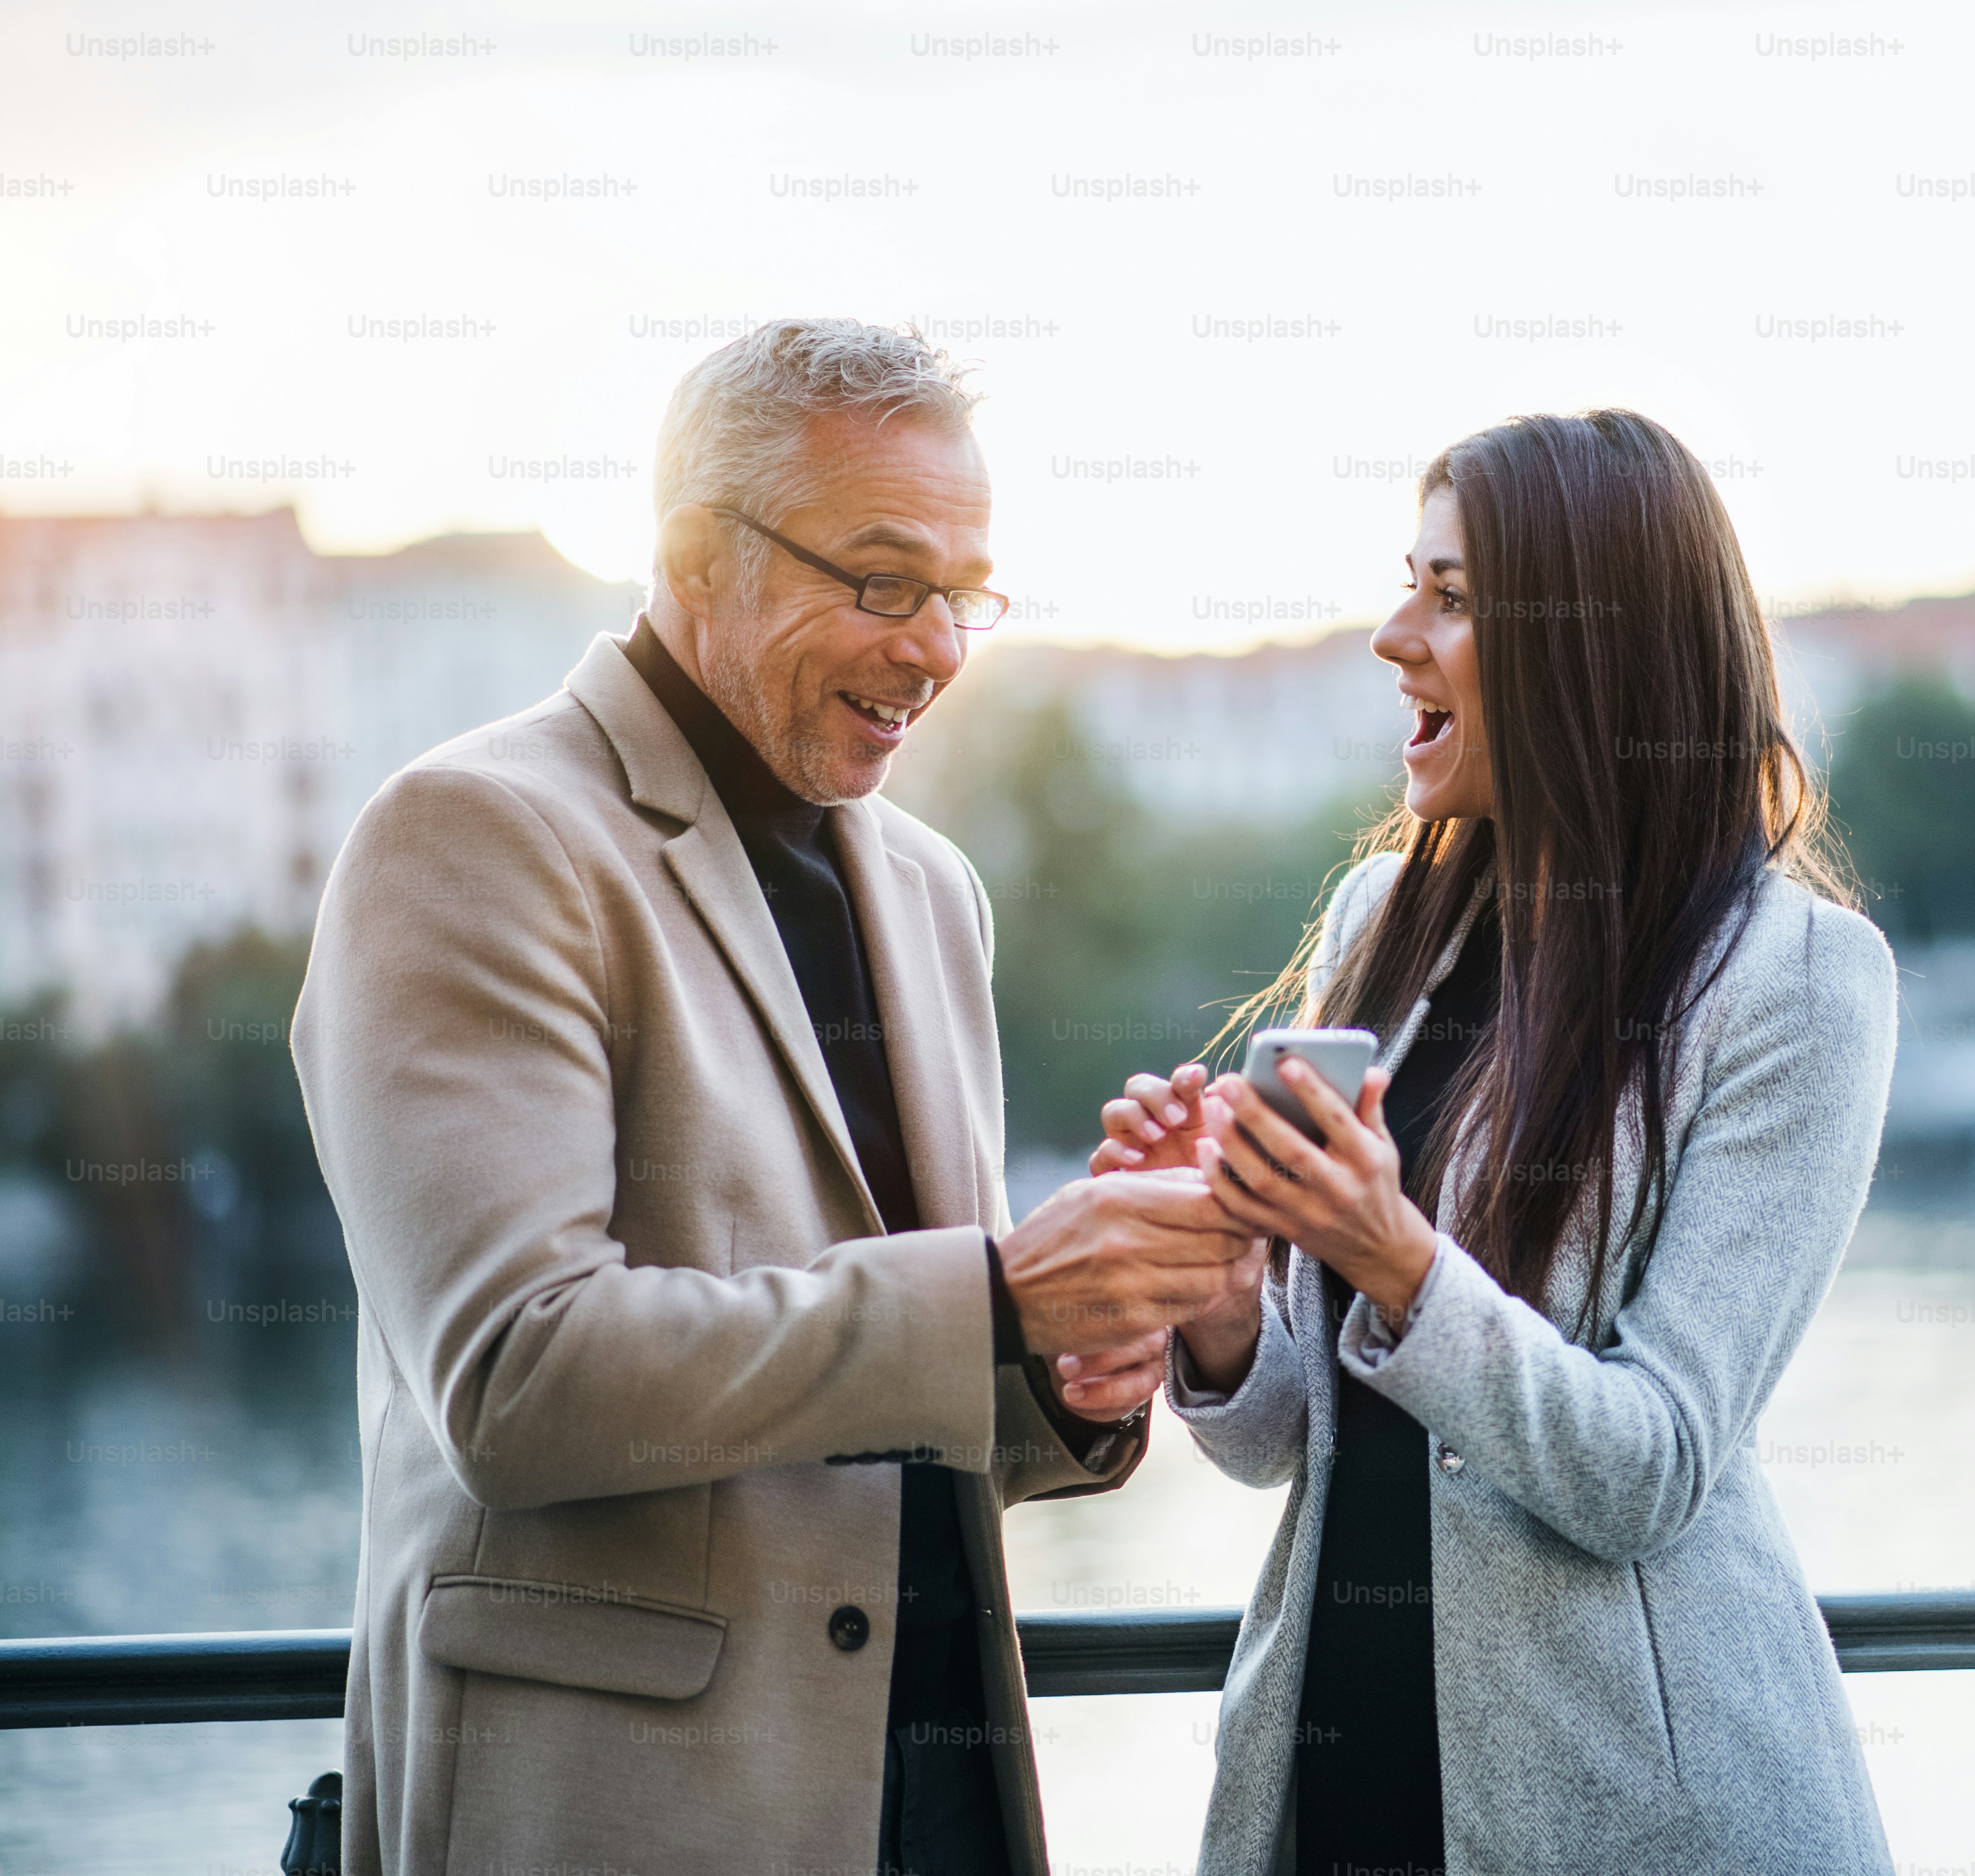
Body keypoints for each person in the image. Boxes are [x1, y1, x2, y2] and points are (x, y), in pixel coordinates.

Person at [291, 318, 1263, 1876]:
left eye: (962, 595)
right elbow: (516, 1384)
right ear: (692, 552)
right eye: (883, 580)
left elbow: (911, 1402)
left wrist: (1077, 1366)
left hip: (935, 1797)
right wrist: (1006, 1292)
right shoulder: (470, 834)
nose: (936, 646)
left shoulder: (934, 889)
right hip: (627, 1809)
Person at [1096, 410, 1902, 1874]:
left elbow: (1651, 1467)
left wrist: (1391, 1256)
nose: (1395, 635)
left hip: (1631, 1806)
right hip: (1337, 1761)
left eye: (1454, 599)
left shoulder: (1798, 983)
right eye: (1410, 584)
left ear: (1594, 646)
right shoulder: (1380, 925)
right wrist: (1220, 1306)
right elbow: (1297, 1440)